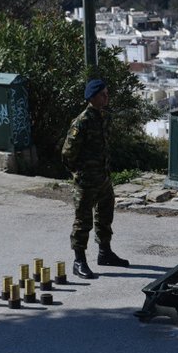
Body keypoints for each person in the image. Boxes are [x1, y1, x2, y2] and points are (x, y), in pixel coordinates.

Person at [61, 79, 129, 279]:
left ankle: (104, 252)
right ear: (92, 97)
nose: (107, 97)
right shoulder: (82, 121)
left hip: (103, 178)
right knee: (83, 221)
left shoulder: (104, 118)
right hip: (86, 180)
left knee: (105, 217)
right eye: (103, 95)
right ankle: (79, 261)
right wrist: (78, 173)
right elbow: (67, 153)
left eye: (107, 93)